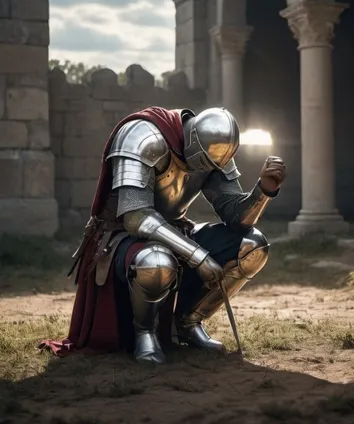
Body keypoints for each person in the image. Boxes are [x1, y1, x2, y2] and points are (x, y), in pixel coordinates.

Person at [41, 106, 286, 364]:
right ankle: (144, 333)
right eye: (202, 162)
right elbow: (136, 217)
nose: (203, 168)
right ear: (192, 139)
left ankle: (189, 323)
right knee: (157, 262)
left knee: (252, 246)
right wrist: (198, 257)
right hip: (123, 237)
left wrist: (264, 191)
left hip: (174, 230)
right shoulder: (142, 136)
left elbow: (236, 219)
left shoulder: (214, 151)